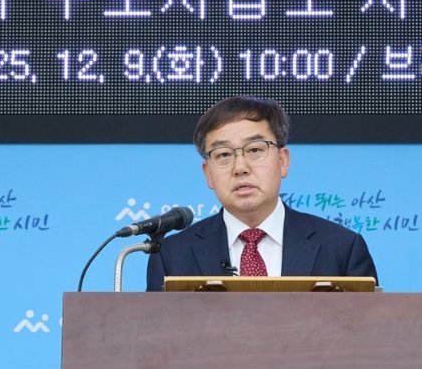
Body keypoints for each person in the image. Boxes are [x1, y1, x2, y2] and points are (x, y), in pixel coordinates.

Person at [146, 96, 377, 291]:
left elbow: (369, 328)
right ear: (208, 174)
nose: (240, 167)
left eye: (255, 149)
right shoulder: (171, 256)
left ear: (282, 161)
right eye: (223, 154)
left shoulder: (342, 248)